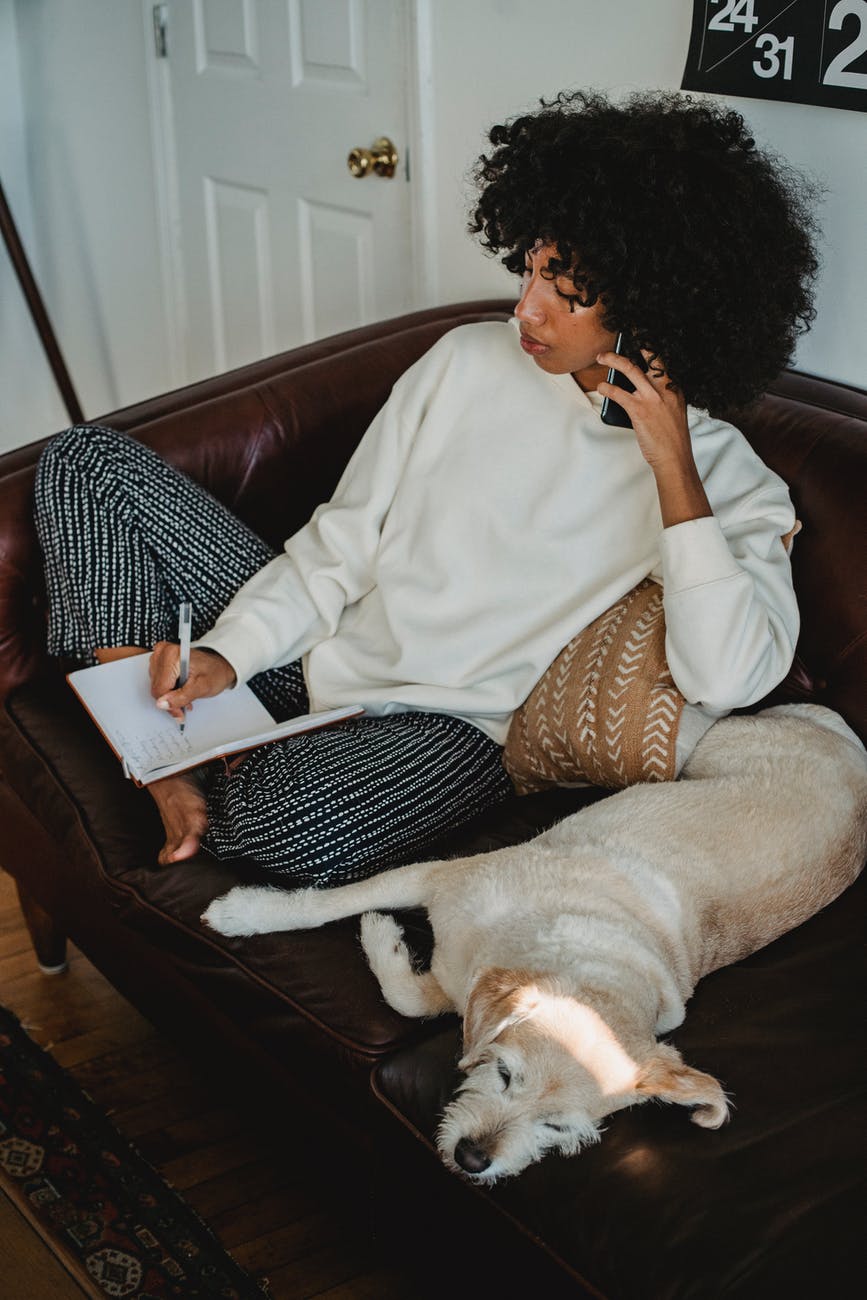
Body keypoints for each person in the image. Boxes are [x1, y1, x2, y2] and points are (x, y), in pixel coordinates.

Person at [34, 89, 819, 886]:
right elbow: (343, 545)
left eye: (564, 291)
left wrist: (672, 471)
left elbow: (726, 675)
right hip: (316, 659)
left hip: (449, 732)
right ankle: (160, 756)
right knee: (83, 460)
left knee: (283, 827)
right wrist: (228, 658)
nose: (525, 307)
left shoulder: (720, 476)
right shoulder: (467, 360)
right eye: (530, 270)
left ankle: (216, 757)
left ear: (656, 309)